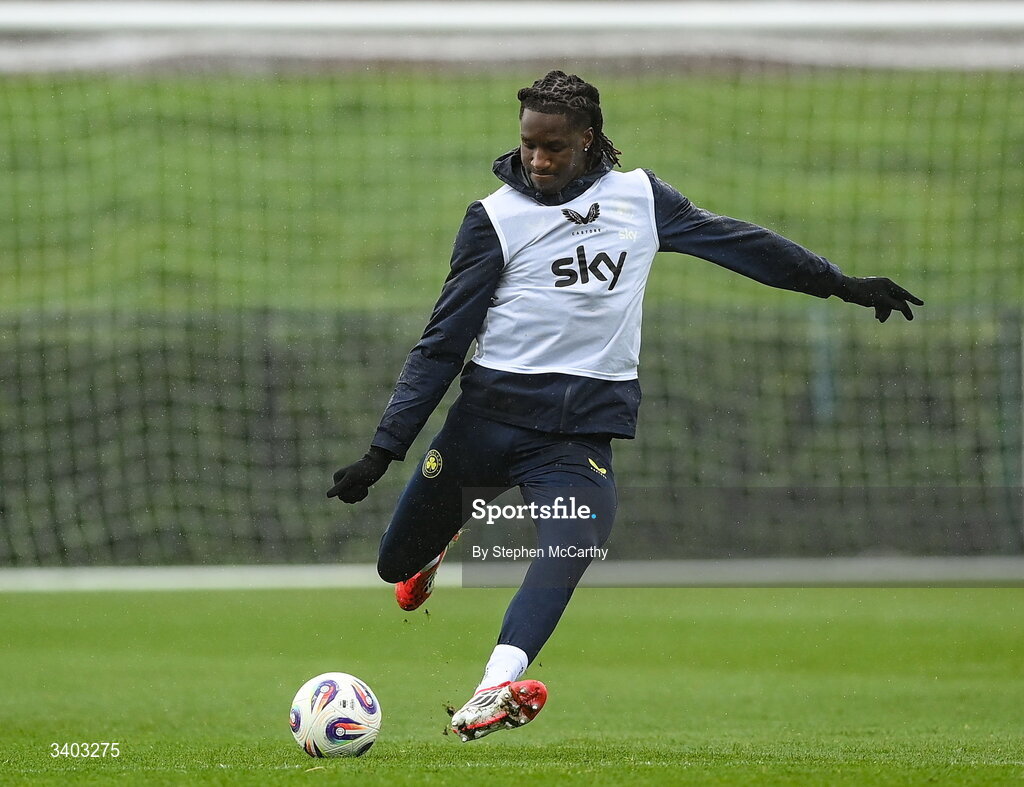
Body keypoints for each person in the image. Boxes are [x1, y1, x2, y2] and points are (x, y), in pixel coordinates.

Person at [327, 70, 922, 742]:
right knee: (395, 563)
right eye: (528, 145)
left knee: (573, 546)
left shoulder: (640, 198)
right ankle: (433, 550)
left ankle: (493, 688)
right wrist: (382, 451)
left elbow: (741, 245)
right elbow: (441, 343)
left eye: (554, 146)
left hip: (574, 440)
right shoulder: (494, 219)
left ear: (588, 139)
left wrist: (842, 284)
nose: (538, 159)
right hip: (484, 426)